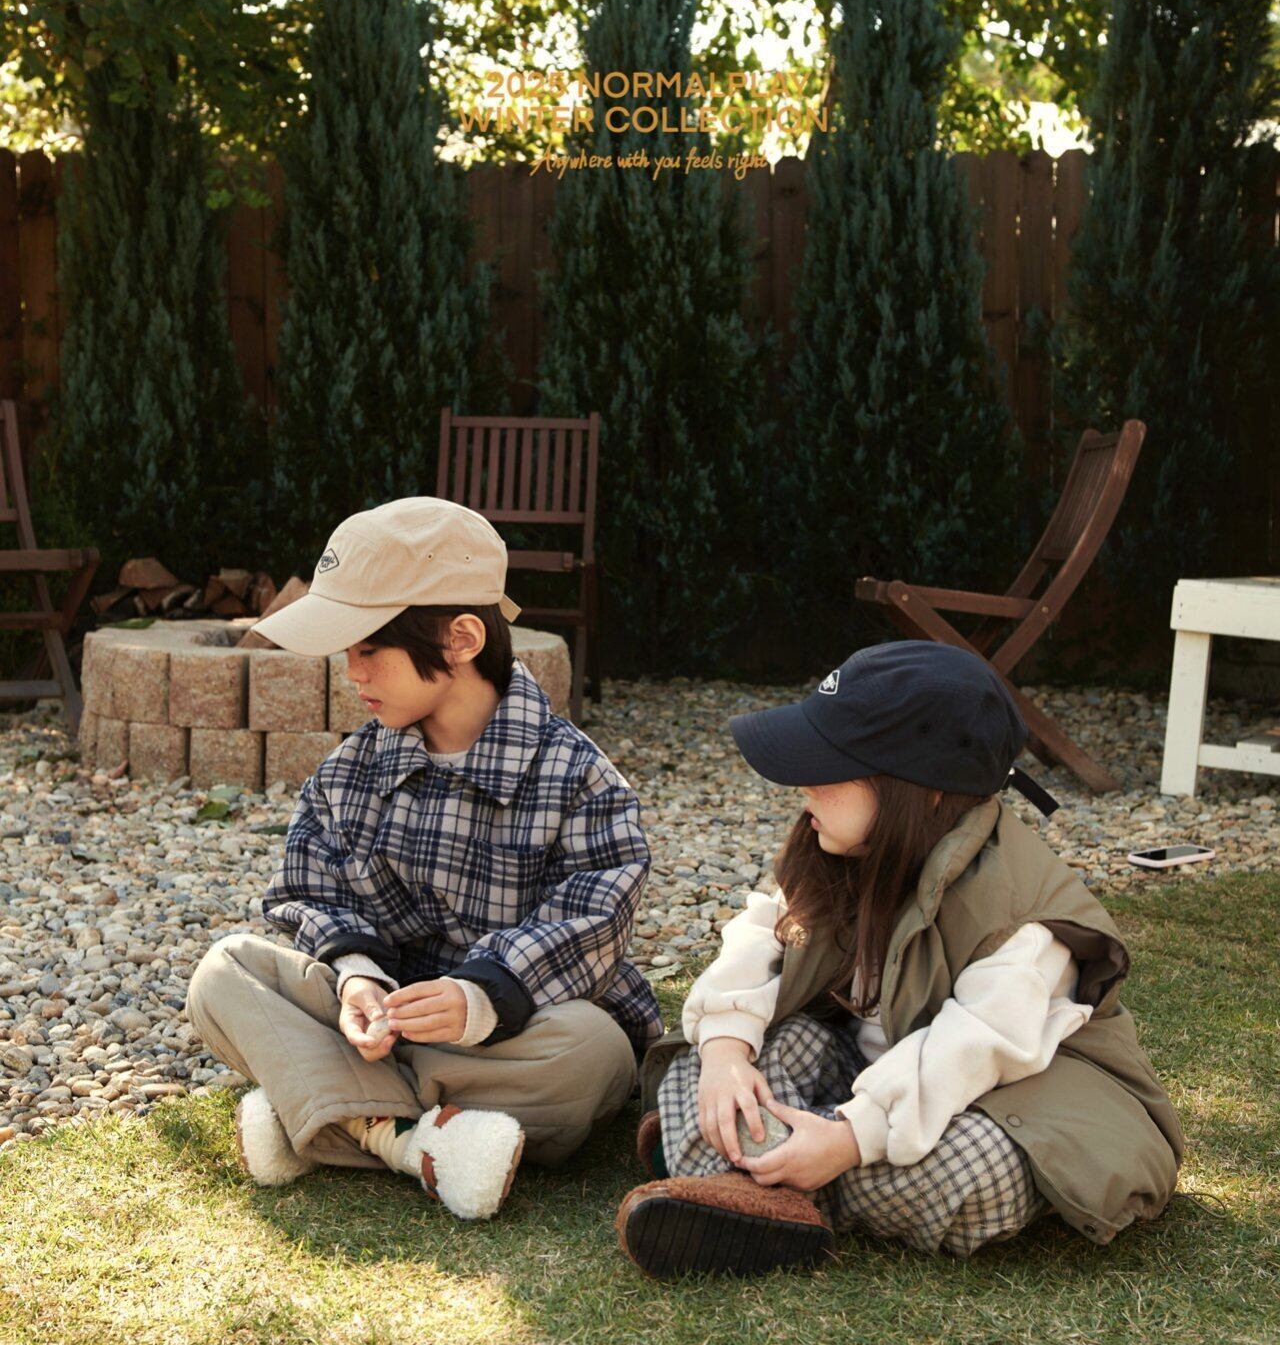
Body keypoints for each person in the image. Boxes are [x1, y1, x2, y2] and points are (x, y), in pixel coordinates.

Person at [616, 642, 1184, 1277]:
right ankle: (756, 1172)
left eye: (827, 767)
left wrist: (847, 1140)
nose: (803, 785)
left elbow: (970, 1049)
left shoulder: (1020, 917)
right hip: (872, 1084)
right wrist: (725, 1053)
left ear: (922, 791)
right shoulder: (842, 845)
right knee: (716, 1065)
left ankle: (731, 1175)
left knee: (975, 1170)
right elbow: (760, 940)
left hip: (1008, 1102)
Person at [186, 497, 660, 1221]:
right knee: (224, 973)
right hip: (382, 1027)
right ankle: (411, 1139)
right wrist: (355, 978)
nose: (351, 673)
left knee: (596, 1055)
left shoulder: (579, 776)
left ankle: (328, 1106)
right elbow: (309, 889)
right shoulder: (349, 770)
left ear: (461, 638)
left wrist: (478, 999)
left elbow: (597, 913)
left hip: (508, 1035)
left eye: (368, 648)